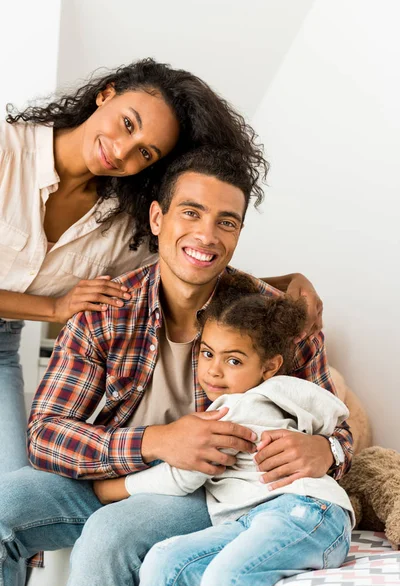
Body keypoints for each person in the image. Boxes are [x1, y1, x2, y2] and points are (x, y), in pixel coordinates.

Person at [0, 148, 352, 586]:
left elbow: (338, 428)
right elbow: (45, 436)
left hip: (212, 491)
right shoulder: (104, 312)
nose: (206, 236)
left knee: (111, 536)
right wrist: (155, 441)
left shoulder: (276, 322)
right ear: (157, 219)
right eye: (191, 212)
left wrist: (326, 450)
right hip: (115, 471)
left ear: (239, 233)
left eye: (226, 222)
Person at [0, 56, 279, 474]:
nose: (122, 151)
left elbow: (189, 272)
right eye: (128, 124)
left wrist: (289, 285)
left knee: (13, 484)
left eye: (145, 152)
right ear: (105, 93)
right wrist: (54, 310)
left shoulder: (125, 222)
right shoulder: (7, 150)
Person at [94, 273, 354, 586]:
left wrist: (110, 488)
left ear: (270, 366)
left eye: (233, 360)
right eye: (207, 354)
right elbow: (330, 412)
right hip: (248, 518)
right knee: (163, 561)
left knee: (225, 579)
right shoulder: (275, 397)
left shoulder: (237, 412)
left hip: (306, 514)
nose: (214, 370)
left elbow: (181, 476)